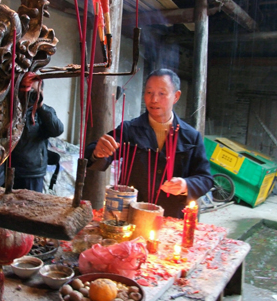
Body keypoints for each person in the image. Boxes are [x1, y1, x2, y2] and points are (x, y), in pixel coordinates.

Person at [85, 68, 213, 218]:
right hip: (131, 216)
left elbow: (205, 178)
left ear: (176, 96)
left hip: (171, 218)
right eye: (149, 92)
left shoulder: (191, 137)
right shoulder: (130, 129)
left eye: (162, 93)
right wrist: (97, 152)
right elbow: (96, 155)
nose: (154, 100)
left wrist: (185, 185)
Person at [11, 80, 64, 192]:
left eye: (34, 91)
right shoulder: (11, 109)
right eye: (26, 90)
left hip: (33, 172)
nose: (29, 94)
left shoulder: (43, 113)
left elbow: (57, 130)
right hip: (10, 169)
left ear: (41, 92)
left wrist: (40, 106)